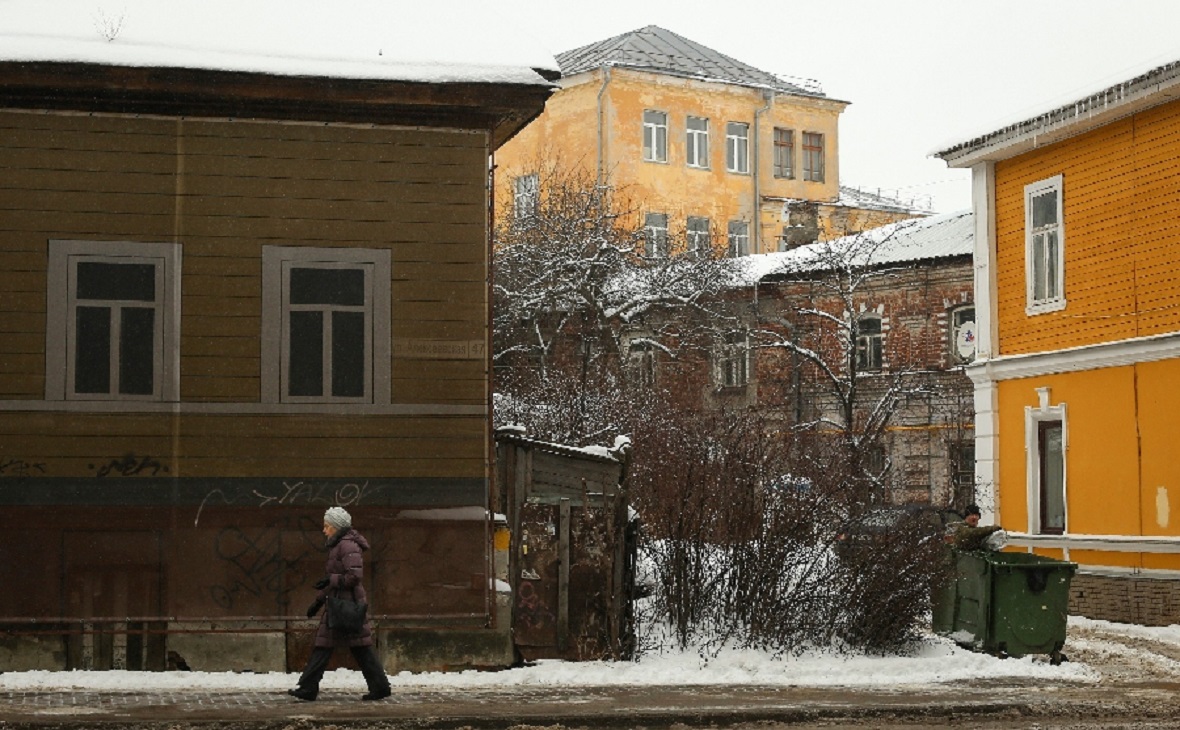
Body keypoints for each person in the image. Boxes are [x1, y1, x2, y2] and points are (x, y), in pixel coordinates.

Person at [288, 506, 391, 702]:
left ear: (337, 527)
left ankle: (310, 688)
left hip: (347, 606)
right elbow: (337, 580)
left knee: (355, 648)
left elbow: (354, 576)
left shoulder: (347, 545)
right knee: (329, 646)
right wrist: (318, 602)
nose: (324, 530)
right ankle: (310, 687)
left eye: (327, 526)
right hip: (339, 604)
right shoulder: (339, 545)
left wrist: (330, 580)